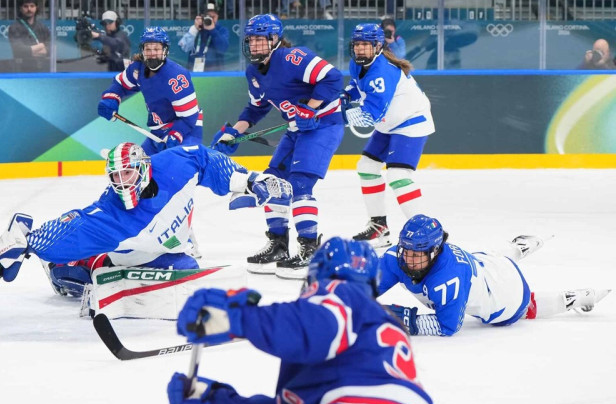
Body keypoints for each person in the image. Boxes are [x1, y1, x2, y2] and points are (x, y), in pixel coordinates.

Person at [167, 237, 435, 404]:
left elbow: (316, 326)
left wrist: (238, 317)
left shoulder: (341, 294)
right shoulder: (365, 344)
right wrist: (214, 402)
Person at [0, 142, 292, 307]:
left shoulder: (174, 164)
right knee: (105, 273)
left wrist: (249, 181)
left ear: (143, 168)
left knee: (186, 270)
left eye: (127, 173)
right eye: (115, 176)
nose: (122, 182)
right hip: (132, 255)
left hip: (168, 247)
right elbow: (73, 227)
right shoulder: (112, 213)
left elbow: (206, 159)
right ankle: (69, 270)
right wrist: (30, 241)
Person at [211, 14, 345, 280]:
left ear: (275, 40)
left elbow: (333, 78)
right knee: (272, 182)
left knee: (300, 185)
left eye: (261, 40)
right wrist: (233, 132)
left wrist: (310, 108)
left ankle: (309, 249)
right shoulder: (253, 72)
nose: (254, 45)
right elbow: (256, 108)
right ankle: (279, 245)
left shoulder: (293, 57)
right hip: (297, 129)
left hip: (323, 126)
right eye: (251, 40)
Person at [380, 214, 612, 337]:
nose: (408, 259)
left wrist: (407, 321)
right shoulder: (395, 258)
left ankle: (576, 298)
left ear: (434, 251)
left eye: (417, 254)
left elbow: (448, 326)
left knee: (523, 307)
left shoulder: (448, 281)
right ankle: (520, 247)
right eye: (406, 250)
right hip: (488, 264)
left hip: (504, 295)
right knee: (488, 257)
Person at [343, 23, 435, 248]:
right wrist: (343, 97)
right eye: (357, 44)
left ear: (377, 46)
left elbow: (369, 116)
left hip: (410, 122)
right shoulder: (358, 64)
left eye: (365, 44)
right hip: (389, 123)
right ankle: (379, 228)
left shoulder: (383, 71)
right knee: (367, 167)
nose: (360, 49)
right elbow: (357, 86)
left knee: (398, 175)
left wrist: (332, 116)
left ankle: (427, 232)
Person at [97, 27, 203, 155]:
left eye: (156, 49)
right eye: (148, 49)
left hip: (186, 130)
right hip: (158, 131)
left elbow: (189, 117)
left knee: (176, 165)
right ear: (142, 50)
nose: (152, 53)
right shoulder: (137, 69)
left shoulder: (176, 77)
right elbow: (120, 84)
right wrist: (111, 99)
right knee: (141, 166)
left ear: (165, 50)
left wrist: (175, 135)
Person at [178, 3, 230, 72]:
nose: (210, 19)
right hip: (194, 71)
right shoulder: (196, 29)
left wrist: (213, 30)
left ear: (217, 17)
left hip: (215, 72)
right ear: (201, 17)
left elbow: (223, 48)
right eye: (208, 16)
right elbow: (184, 48)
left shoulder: (221, 30)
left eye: (213, 17)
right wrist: (194, 30)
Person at [8, 0, 50, 72]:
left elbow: (51, 47)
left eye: (32, 6)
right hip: (22, 69)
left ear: (36, 8)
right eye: (26, 6)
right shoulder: (14, 27)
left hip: (42, 69)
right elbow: (18, 50)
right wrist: (41, 45)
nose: (29, 9)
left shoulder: (42, 27)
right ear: (20, 8)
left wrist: (31, 51)